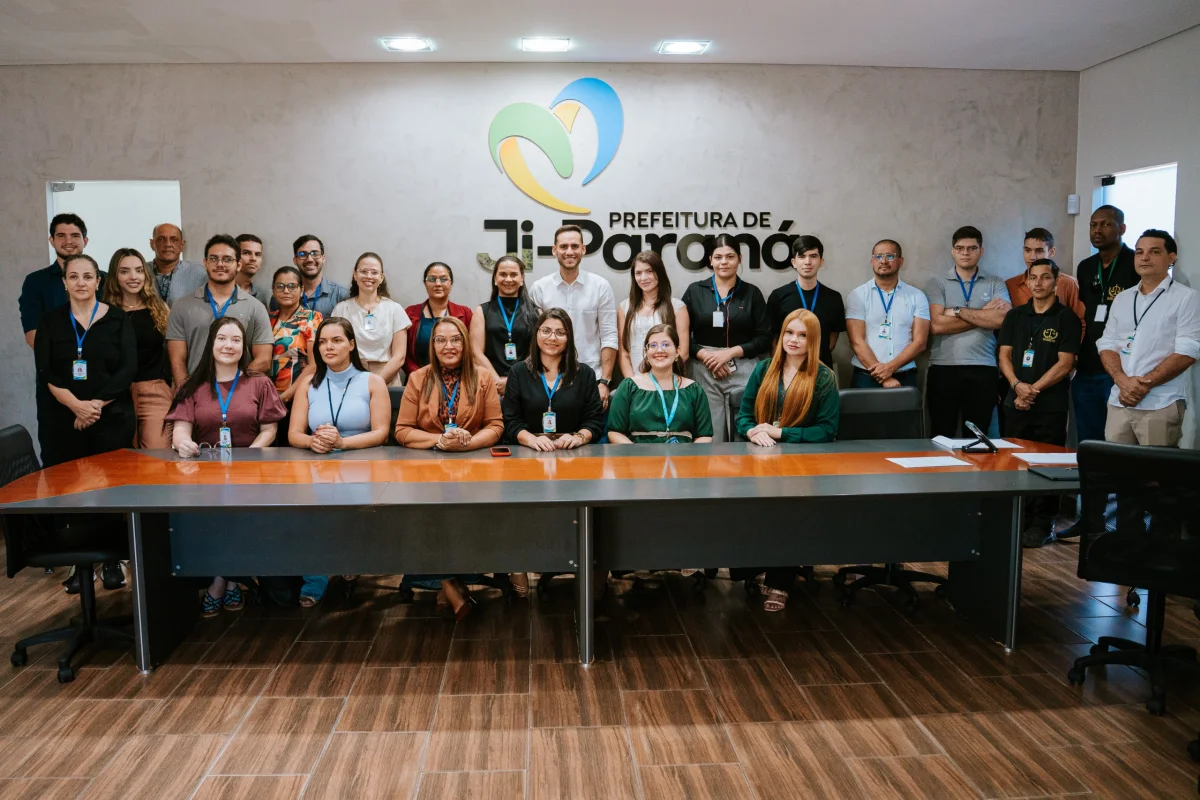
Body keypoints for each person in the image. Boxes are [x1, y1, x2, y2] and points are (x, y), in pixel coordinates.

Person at [166, 317, 286, 617]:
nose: (228, 345)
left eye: (235, 340)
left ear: (244, 347)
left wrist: (248, 459)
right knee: (214, 521)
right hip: (206, 476)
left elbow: (270, 430)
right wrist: (183, 444)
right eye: (222, 338)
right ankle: (230, 581)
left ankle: (221, 581)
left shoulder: (259, 383)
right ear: (211, 343)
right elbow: (180, 430)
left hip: (251, 475)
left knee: (239, 519)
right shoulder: (193, 385)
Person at [34, 253, 135, 593]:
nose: (81, 282)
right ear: (64, 282)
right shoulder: (50, 321)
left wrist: (94, 406)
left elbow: (127, 368)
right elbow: (46, 370)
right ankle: (81, 565)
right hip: (65, 419)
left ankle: (112, 562)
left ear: (98, 281)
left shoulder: (117, 318)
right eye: (74, 276)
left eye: (87, 276)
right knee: (73, 490)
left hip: (111, 417)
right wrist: (76, 406)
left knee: (109, 489)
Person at [394, 317, 503, 621]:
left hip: (473, 469)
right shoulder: (418, 378)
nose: (448, 346)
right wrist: (440, 440)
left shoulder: (482, 377)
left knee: (467, 521)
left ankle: (452, 582)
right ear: (432, 346)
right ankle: (448, 584)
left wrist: (467, 443)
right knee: (428, 520)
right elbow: (402, 430)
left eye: (455, 339)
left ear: (465, 343)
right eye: (440, 340)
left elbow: (496, 425)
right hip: (427, 470)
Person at [732, 309, 840, 610]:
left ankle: (780, 582)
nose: (794, 340)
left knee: (788, 514)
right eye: (789, 333)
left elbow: (827, 430)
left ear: (813, 340)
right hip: (760, 458)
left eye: (802, 335)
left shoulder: (824, 377)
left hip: (801, 464)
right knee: (751, 513)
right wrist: (752, 431)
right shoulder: (764, 368)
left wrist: (780, 433)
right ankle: (759, 568)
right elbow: (744, 416)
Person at [289, 317, 391, 606]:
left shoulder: (372, 382)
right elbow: (294, 433)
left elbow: (381, 433)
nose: (328, 347)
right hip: (318, 462)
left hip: (362, 463)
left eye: (336, 340)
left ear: (351, 344)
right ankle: (315, 578)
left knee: (353, 512)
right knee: (311, 515)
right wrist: (313, 442)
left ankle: (350, 563)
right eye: (322, 342)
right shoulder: (308, 383)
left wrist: (342, 443)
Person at [1057, 206, 1140, 542]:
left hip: (1122, 370)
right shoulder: (1086, 267)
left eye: (1106, 224)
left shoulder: (1134, 263)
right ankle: (1090, 518)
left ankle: (1127, 526)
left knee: (1121, 448)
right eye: (1093, 224)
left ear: (1122, 228)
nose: (1098, 230)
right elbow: (1089, 313)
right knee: (1089, 448)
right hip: (1089, 367)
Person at [997, 259, 1083, 547]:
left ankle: (1042, 523)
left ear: (1056, 282)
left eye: (1045, 277)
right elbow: (1004, 356)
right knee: (1016, 462)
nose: (1038, 283)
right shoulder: (1015, 316)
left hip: (1050, 405)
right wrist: (1017, 386)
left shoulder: (1066, 318)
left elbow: (1065, 363)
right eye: (1033, 277)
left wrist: (1032, 390)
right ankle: (1018, 518)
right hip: (1015, 401)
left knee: (1047, 464)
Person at [1097, 230, 1200, 448]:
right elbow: (1106, 344)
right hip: (1119, 401)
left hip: (1160, 403)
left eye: (1154, 252)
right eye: (1139, 252)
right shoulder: (1123, 298)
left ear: (1171, 258)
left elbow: (1188, 351)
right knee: (1115, 466)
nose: (1144, 258)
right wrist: (1122, 381)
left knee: (1156, 469)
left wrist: (1143, 385)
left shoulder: (1186, 298)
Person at [21, 214, 107, 463]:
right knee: (57, 461)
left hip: (100, 390)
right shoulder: (36, 282)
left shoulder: (104, 279)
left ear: (85, 240)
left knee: (106, 464)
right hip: (55, 386)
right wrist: (70, 398)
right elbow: (33, 336)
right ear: (51, 240)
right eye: (61, 235)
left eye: (75, 235)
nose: (68, 241)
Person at [681, 233, 772, 442]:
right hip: (704, 368)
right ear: (710, 260)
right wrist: (707, 356)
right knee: (709, 433)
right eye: (718, 257)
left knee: (744, 432)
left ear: (739, 259)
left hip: (743, 367)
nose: (724, 262)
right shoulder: (695, 291)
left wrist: (729, 353)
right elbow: (682, 336)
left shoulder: (752, 293)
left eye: (730, 256)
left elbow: (764, 337)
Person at [925, 226, 1011, 437]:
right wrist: (984, 314)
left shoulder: (995, 282)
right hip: (943, 368)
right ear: (952, 251)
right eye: (960, 248)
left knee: (978, 437)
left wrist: (956, 311)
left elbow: (1002, 319)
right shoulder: (937, 283)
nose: (965, 253)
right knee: (941, 434)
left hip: (984, 368)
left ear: (981, 251)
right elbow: (936, 325)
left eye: (972, 248)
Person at [166, 233, 273, 387]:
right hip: (195, 391)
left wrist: (233, 387)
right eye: (214, 258)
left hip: (238, 392)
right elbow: (177, 360)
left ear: (239, 264)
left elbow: (264, 360)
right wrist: (186, 393)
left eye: (227, 259)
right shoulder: (182, 306)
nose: (220, 264)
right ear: (205, 263)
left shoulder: (256, 307)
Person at [529, 225, 618, 409]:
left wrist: (604, 381)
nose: (569, 251)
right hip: (549, 378)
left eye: (575, 246)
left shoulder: (600, 286)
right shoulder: (539, 288)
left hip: (592, 377)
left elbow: (609, 335)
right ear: (554, 250)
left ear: (583, 249)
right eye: (563, 246)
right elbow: (535, 338)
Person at [502, 308, 605, 451]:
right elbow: (511, 421)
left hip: (572, 451)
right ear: (536, 333)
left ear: (569, 337)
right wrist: (531, 440)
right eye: (546, 331)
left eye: (560, 333)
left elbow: (594, 421)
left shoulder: (585, 374)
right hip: (529, 450)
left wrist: (577, 438)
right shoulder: (518, 372)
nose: (552, 338)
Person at [101, 248, 173, 448]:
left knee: (158, 454)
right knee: (123, 457)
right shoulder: (104, 313)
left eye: (139, 270)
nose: (133, 277)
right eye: (125, 271)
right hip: (117, 395)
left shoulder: (160, 309)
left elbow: (173, 352)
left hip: (154, 391)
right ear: (115, 276)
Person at [607, 323, 713, 444]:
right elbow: (614, 432)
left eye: (666, 345)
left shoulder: (694, 389)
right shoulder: (629, 386)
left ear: (677, 351)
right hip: (638, 454)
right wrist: (636, 454)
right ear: (646, 352)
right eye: (653, 345)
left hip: (683, 454)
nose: (659, 350)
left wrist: (688, 456)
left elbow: (704, 436)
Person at [845, 239, 930, 389]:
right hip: (866, 377)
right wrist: (884, 377)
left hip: (904, 376)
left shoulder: (917, 296)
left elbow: (920, 342)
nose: (883, 261)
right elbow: (856, 341)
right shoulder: (858, 295)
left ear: (900, 261)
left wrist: (890, 368)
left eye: (890, 256)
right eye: (878, 256)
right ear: (872, 261)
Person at [766, 235, 845, 368]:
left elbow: (832, 337)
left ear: (821, 261)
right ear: (793, 262)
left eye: (813, 256)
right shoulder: (778, 296)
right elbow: (774, 338)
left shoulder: (834, 298)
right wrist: (779, 367)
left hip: (821, 367)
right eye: (802, 256)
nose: (807, 262)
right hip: (787, 368)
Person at [333, 252, 409, 386]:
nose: (368, 276)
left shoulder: (394, 309)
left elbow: (399, 357)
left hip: (388, 378)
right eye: (363, 271)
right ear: (355, 275)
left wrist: (376, 383)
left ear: (381, 277)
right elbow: (336, 349)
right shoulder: (341, 309)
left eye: (374, 272)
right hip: (350, 377)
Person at [471, 254, 540, 397]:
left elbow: (539, 353)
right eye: (503, 274)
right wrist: (497, 382)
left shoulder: (536, 312)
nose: (508, 279)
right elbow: (476, 353)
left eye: (514, 274)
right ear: (495, 279)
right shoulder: (482, 311)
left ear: (522, 279)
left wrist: (514, 381)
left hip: (527, 384)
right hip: (490, 387)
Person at [617, 251, 689, 376]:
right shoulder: (624, 307)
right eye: (638, 273)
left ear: (659, 273)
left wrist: (660, 380)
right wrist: (633, 383)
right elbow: (624, 353)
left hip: (667, 379)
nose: (643, 278)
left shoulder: (677, 307)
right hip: (635, 381)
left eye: (649, 271)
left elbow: (683, 352)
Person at [405, 262, 472, 377]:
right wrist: (419, 376)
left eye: (443, 279)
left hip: (458, 380)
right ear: (425, 283)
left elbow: (471, 351)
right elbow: (404, 354)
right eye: (432, 279)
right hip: (418, 379)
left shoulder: (465, 313)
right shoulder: (410, 313)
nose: (437, 284)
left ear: (451, 283)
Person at [1004, 229, 1085, 322]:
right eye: (1028, 250)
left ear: (1051, 252)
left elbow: (1082, 321)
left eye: (1039, 251)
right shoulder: (1010, 285)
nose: (1032, 257)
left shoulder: (1068, 283)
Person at [268, 266, 322, 406]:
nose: (286, 291)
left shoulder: (311, 318)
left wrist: (285, 397)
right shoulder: (267, 319)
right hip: (267, 396)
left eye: (292, 286)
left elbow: (314, 365)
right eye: (280, 286)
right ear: (273, 290)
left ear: (301, 289)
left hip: (299, 396)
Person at [287, 234, 349, 318]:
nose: (309, 259)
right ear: (295, 260)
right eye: (302, 254)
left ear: (323, 258)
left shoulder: (341, 295)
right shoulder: (284, 295)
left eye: (315, 253)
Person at [146, 223, 206, 306]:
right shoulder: (141, 271)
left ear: (182, 245)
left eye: (174, 240)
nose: (168, 244)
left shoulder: (199, 273)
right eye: (161, 239)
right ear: (152, 244)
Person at [235, 233, 267, 303]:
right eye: (246, 253)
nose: (253, 258)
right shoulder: (220, 289)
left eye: (257, 254)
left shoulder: (260, 296)